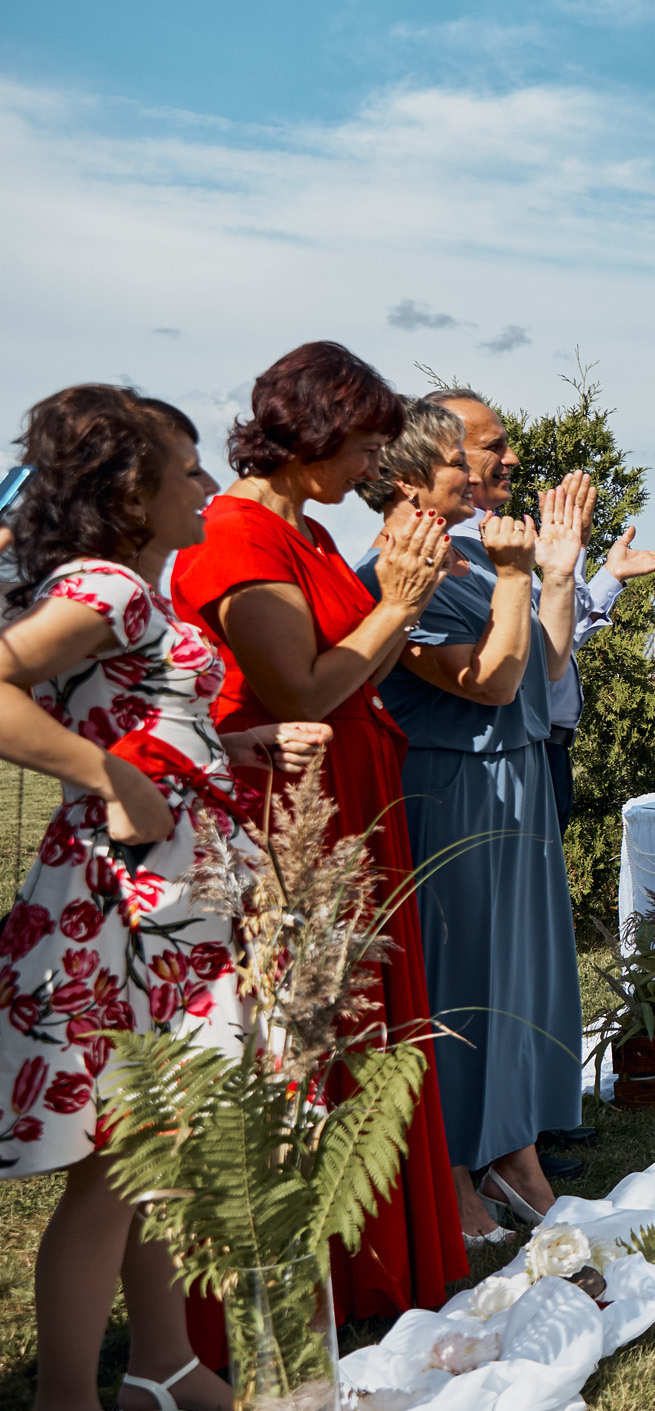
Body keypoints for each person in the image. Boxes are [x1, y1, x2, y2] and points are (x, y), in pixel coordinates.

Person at [1, 387, 329, 1411]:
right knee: (110, 1166)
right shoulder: (99, 587)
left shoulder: (141, 595)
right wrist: (108, 778)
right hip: (117, 915)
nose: (204, 486)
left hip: (173, 909)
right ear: (132, 490)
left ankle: (158, 1367)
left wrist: (236, 746)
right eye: (188, 469)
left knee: (162, 1152)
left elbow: (145, 720)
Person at [165, 342, 473, 1335]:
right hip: (290, 810)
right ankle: (296, 1288)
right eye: (365, 447)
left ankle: (377, 1266)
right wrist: (400, 608)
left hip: (351, 798)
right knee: (307, 1033)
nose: (372, 470)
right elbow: (302, 685)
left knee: (363, 1025)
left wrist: (387, 614)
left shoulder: (304, 530)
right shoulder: (239, 536)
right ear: (315, 437)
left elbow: (345, 672)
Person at [358, 402, 584, 1236]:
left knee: (516, 982)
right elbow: (487, 682)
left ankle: (511, 1149)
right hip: (452, 785)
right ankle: (454, 1169)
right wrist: (524, 577)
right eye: (475, 449)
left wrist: (552, 573)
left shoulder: (479, 557)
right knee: (460, 985)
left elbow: (542, 667)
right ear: (416, 467)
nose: (499, 460)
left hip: (517, 775)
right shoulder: (393, 568)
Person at [422, 385, 655, 836]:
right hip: (488, 767)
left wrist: (598, 574)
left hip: (538, 750)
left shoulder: (497, 547)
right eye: (493, 446)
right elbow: (522, 667)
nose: (512, 459)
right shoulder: (450, 560)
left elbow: (547, 649)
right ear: (441, 458)